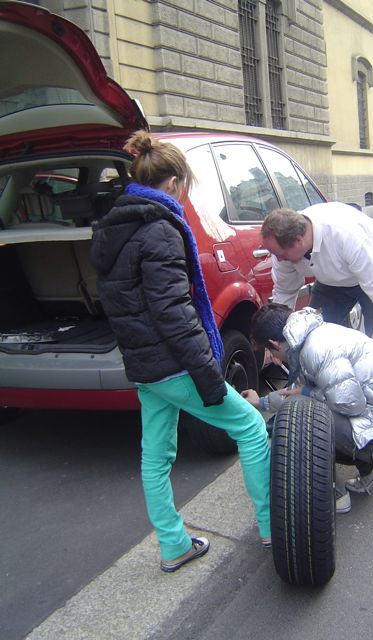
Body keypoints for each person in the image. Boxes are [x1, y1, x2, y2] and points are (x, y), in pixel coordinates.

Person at [90, 130, 271, 572]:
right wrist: (208, 374)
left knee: (156, 454)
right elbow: (174, 312)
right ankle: (273, 527)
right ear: (172, 183)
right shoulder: (160, 230)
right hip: (173, 365)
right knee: (250, 427)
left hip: (145, 365)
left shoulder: (116, 227)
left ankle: (173, 545)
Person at [243, 303, 373, 512]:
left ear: (274, 343)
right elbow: (299, 391)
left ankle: (336, 495)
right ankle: (368, 470)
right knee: (302, 410)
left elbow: (350, 405)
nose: (271, 357)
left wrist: (305, 394)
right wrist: (261, 402)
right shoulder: (311, 334)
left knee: (303, 425)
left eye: (269, 351)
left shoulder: (317, 350)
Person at [260, 204, 373, 368]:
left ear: (298, 241)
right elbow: (284, 292)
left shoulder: (344, 234)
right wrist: (277, 340)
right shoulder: (283, 250)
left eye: (282, 255)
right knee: (309, 338)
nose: (279, 260)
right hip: (332, 280)